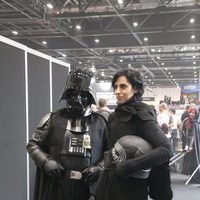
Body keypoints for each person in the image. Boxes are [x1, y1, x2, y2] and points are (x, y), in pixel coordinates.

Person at [26, 68, 108, 200]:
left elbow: (111, 151)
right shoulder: (53, 119)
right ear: (67, 95)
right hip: (57, 186)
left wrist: (99, 167)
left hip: (89, 188)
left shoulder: (101, 123)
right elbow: (33, 145)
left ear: (90, 97)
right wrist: (46, 161)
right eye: (74, 94)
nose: (78, 98)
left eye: (83, 94)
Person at [95, 69, 173, 200]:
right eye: (115, 87)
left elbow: (166, 150)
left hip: (131, 188)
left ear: (135, 89)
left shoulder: (141, 114)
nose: (117, 91)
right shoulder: (114, 116)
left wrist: (130, 166)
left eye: (123, 86)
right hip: (110, 183)